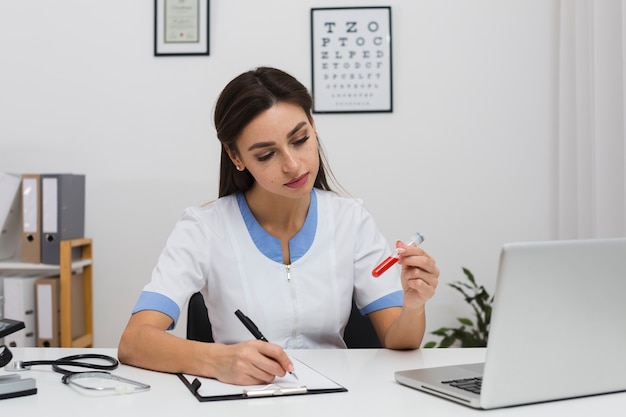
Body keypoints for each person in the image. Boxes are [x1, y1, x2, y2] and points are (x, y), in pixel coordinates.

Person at [117, 67, 439, 386]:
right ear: (236, 156)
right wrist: (219, 360)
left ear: (313, 127)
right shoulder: (203, 228)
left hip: (334, 401)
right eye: (267, 154)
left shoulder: (350, 220)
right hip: (241, 400)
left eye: (300, 140)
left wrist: (413, 306)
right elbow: (134, 341)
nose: (293, 165)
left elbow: (400, 341)